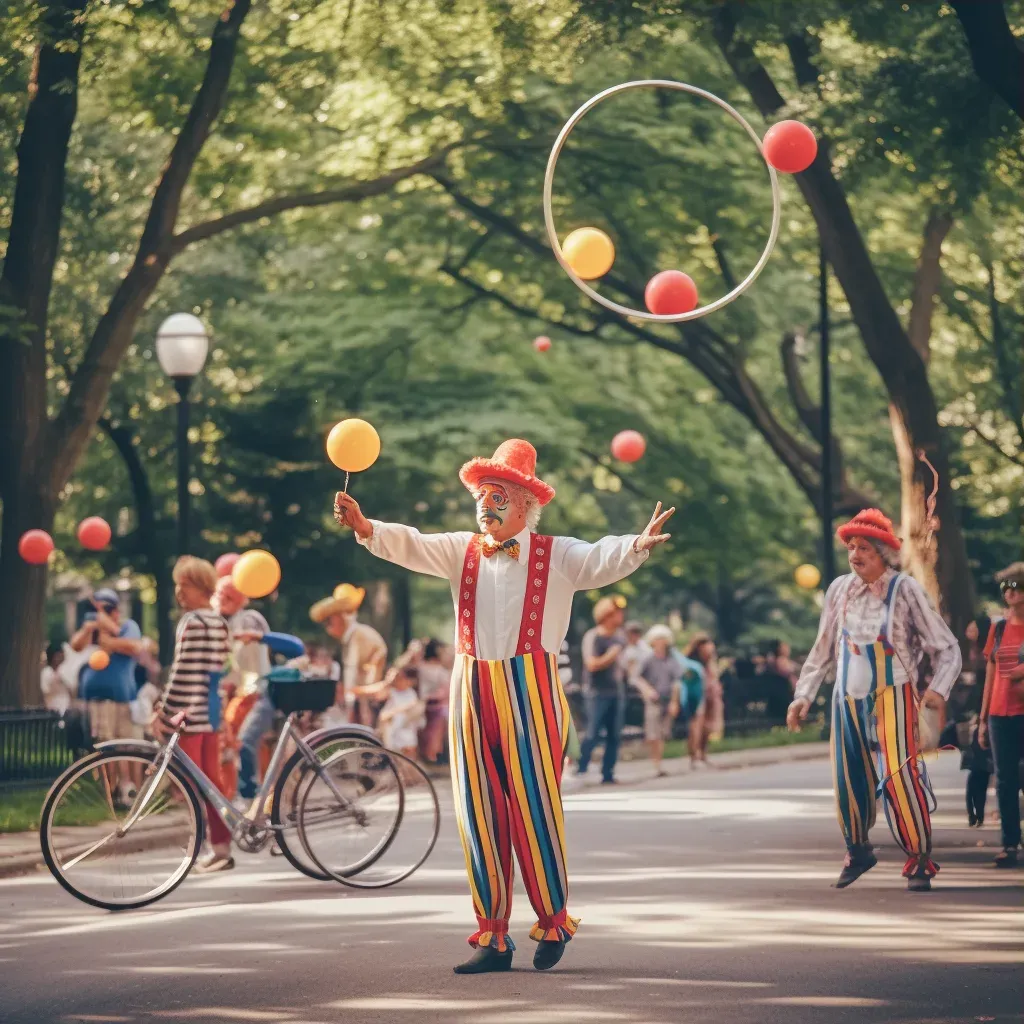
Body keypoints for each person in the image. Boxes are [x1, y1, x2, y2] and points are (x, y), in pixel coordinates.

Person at [333, 437, 672, 974]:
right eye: (482, 496)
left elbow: (597, 559)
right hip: (471, 687)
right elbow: (411, 543)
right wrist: (365, 526)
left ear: (525, 505)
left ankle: (553, 920)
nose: (485, 506)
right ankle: (492, 936)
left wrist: (636, 544)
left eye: (498, 496)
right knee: (477, 810)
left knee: (534, 806)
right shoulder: (459, 550)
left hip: (531, 688)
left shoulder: (556, 553)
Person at [787, 508, 961, 892]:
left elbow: (947, 648)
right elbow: (822, 650)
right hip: (845, 697)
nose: (855, 554)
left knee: (901, 780)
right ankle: (859, 850)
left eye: (864, 547)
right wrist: (803, 695)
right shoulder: (838, 589)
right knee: (847, 779)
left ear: (884, 553)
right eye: (851, 546)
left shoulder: (905, 589)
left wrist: (936, 690)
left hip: (893, 695)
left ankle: (918, 859)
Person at [154, 557, 232, 872]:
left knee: (193, 783)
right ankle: (221, 845)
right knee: (212, 780)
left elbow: (182, 671)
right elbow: (220, 671)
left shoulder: (192, 622)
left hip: (190, 714)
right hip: (212, 712)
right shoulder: (219, 622)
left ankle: (203, 845)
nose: (178, 591)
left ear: (199, 586)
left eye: (184, 585)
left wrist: (164, 709)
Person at [70, 587, 145, 803]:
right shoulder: (91, 628)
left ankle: (131, 790)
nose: (103, 612)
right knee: (104, 744)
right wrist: (90, 628)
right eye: (100, 608)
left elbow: (133, 647)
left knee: (127, 745)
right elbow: (76, 645)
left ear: (116, 610)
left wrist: (107, 631)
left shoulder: (128, 626)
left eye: (108, 608)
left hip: (123, 697)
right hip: (97, 699)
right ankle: (109, 793)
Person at [979, 563, 1024, 868]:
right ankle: (1010, 844)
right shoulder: (997, 628)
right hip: (998, 713)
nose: (1011, 592)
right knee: (1005, 781)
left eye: (1017, 586)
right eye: (1006, 587)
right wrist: (982, 720)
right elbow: (990, 674)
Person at [215, 577, 272, 803]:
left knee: (247, 741)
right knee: (238, 742)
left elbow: (253, 642)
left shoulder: (249, 618)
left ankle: (256, 794)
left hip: (255, 690)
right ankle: (246, 793)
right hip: (242, 691)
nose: (220, 599)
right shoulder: (230, 622)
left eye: (225, 595)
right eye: (219, 594)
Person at [309, 583, 387, 725]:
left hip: (367, 706)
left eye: (329, 619)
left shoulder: (360, 636)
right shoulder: (352, 638)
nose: (327, 625)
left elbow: (364, 679)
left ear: (340, 616)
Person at [576, 595, 628, 785]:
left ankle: (608, 773)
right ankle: (581, 767)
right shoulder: (594, 636)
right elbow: (591, 664)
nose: (621, 616)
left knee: (614, 734)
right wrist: (611, 655)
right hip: (597, 692)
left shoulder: (620, 637)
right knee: (593, 731)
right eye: (617, 612)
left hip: (616, 691)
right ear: (606, 615)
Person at [637, 624, 683, 777]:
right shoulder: (648, 659)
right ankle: (655, 763)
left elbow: (677, 682)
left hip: (667, 698)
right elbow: (637, 677)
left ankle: (659, 762)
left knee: (663, 733)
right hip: (653, 700)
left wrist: (675, 702)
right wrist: (647, 690)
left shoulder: (672, 659)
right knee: (653, 732)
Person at [684, 634, 720, 767]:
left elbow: (714, 676)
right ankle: (694, 756)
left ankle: (703, 754)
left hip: (710, 695)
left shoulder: (710, 662)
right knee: (696, 727)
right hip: (696, 697)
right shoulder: (691, 662)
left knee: (707, 727)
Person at [378, 665, 425, 758]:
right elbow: (379, 698)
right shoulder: (391, 692)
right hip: (390, 727)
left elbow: (412, 708)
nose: (399, 681)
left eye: (401, 678)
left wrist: (395, 712)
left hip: (405, 727)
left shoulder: (411, 694)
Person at [417, 638, 453, 763]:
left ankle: (428, 756)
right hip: (438, 705)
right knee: (435, 733)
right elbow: (446, 690)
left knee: (426, 732)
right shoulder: (440, 670)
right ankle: (433, 756)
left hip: (422, 704)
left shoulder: (420, 667)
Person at [674, 641, 706, 769]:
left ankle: (697, 755)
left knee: (697, 727)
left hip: (696, 696)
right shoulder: (689, 664)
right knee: (694, 727)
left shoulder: (694, 664)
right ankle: (694, 755)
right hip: (692, 698)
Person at [40, 643, 70, 715]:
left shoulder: (64, 670)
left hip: (66, 707)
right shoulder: (46, 672)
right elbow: (45, 692)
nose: (59, 659)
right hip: (53, 708)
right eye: (57, 656)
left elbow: (72, 691)